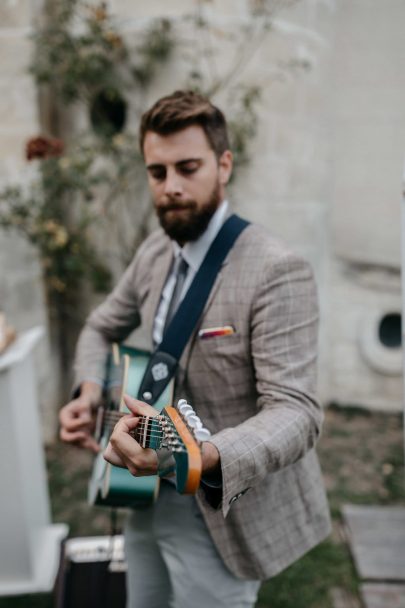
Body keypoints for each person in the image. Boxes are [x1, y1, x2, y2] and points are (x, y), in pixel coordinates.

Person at [59, 90, 331, 608]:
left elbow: (296, 411)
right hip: (141, 489)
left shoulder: (277, 268)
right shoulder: (155, 249)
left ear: (223, 164)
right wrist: (89, 391)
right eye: (157, 173)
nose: (172, 188)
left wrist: (201, 461)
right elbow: (99, 327)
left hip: (221, 503)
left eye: (188, 167)